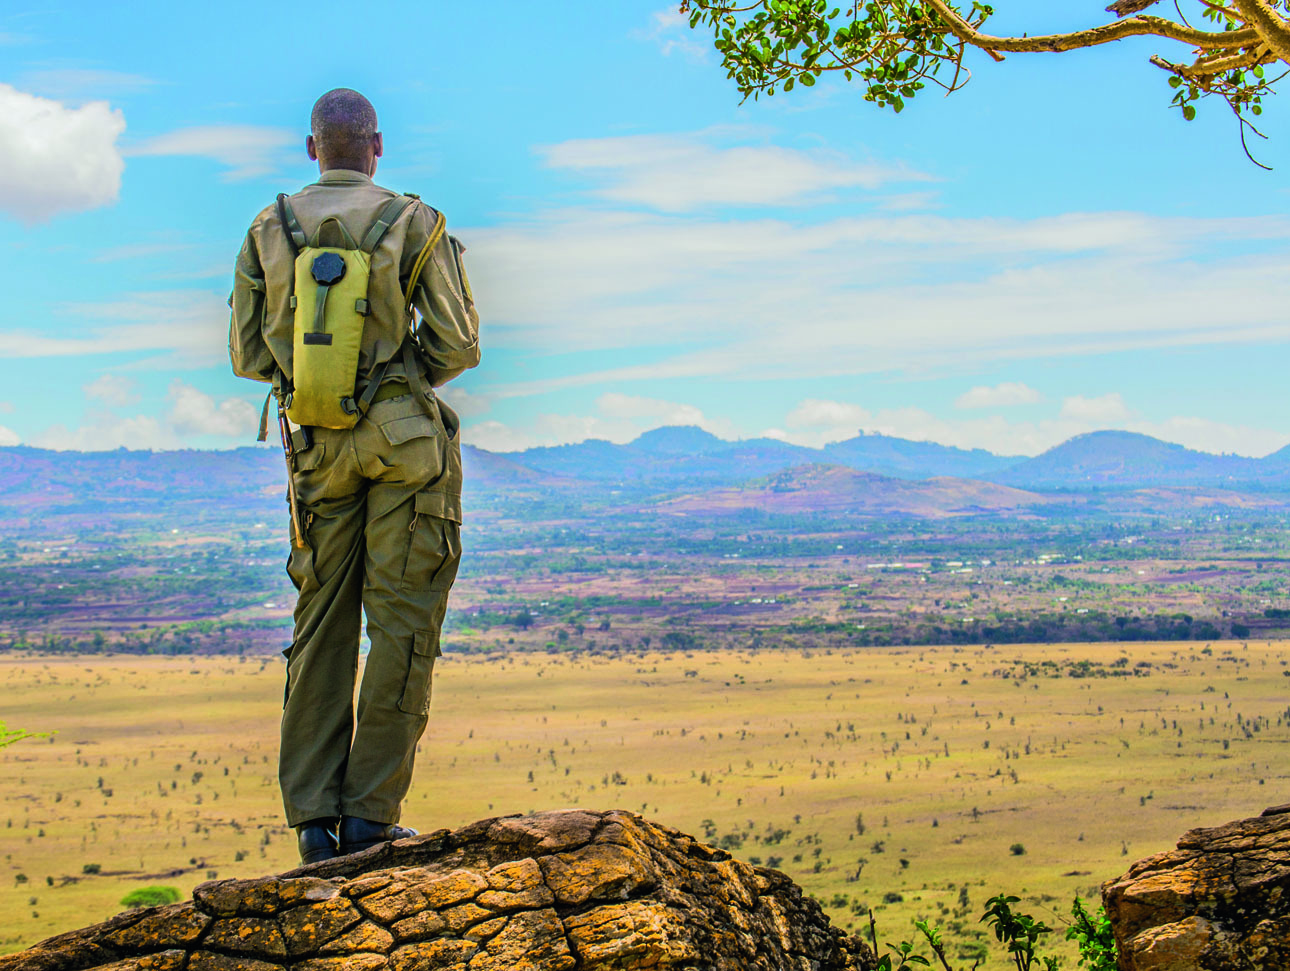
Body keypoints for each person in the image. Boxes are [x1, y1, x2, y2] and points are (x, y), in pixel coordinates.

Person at [228, 88, 480, 863]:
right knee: (401, 624)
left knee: (320, 625)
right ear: (377, 144)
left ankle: (312, 822)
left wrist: (318, 386)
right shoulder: (415, 221)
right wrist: (398, 383)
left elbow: (246, 355)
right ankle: (370, 815)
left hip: (314, 445)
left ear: (312, 149)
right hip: (404, 441)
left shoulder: (269, 227)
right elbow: (457, 343)